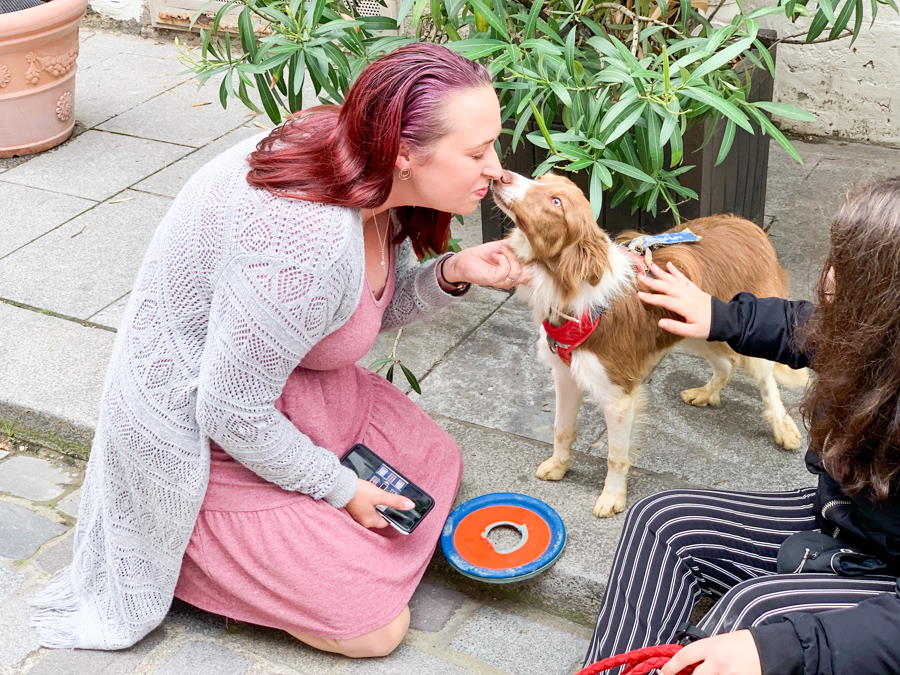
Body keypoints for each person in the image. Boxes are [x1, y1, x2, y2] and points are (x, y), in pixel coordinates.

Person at [30, 42, 525, 657]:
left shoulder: (375, 182)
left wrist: (453, 272)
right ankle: (175, 548)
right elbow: (229, 411)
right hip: (200, 435)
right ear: (403, 152)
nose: (499, 169)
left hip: (288, 391)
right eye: (477, 152)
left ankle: (298, 544)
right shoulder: (302, 249)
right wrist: (341, 490)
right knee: (373, 630)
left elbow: (360, 312)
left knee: (436, 462)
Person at [583, 176, 900, 674]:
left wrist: (788, 650)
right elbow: (812, 326)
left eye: (853, 272)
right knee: (660, 521)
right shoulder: (877, 337)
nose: (830, 280)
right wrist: (721, 316)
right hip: (849, 514)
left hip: (888, 580)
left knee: (752, 617)